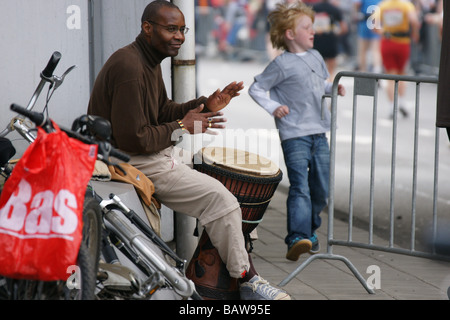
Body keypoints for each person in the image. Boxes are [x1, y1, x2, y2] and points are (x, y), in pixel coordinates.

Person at [87, 0, 289, 300]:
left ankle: (222, 263)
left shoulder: (147, 60)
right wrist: (182, 126)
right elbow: (135, 139)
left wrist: (205, 105)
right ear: (147, 28)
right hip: (128, 160)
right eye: (171, 29)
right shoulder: (130, 67)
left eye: (182, 29)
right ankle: (247, 279)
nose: (179, 36)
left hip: (143, 153)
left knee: (217, 173)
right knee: (223, 198)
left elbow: (163, 111)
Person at [248, 1, 345, 262]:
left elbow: (321, 84)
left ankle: (309, 231)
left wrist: (332, 88)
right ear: (290, 35)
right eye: (307, 27)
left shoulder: (316, 57)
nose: (313, 31)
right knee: (300, 186)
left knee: (321, 188)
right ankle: (296, 237)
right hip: (294, 135)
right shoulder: (281, 64)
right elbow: (256, 88)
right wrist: (274, 106)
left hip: (319, 132)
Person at [377, 0, 420, 118]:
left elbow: (373, 24)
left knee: (390, 75)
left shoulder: (383, 5)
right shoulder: (406, 5)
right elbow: (414, 21)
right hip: (403, 43)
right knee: (402, 74)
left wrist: (384, 32)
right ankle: (401, 101)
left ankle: (392, 105)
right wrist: (415, 34)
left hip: (387, 41)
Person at [312, 0, 348, 80]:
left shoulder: (313, 8)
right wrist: (335, 33)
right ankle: (330, 86)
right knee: (331, 71)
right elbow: (344, 28)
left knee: (317, 70)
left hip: (317, 41)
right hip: (330, 41)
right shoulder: (334, 9)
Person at [353, 0, 382, 72]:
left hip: (365, 21)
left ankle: (363, 70)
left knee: (363, 50)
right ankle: (377, 69)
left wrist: (356, 13)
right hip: (376, 22)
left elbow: (357, 4)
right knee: (376, 50)